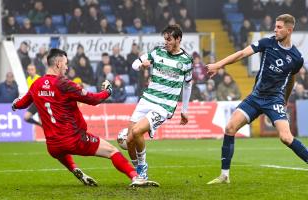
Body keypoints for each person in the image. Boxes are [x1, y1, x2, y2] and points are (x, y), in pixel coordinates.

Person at [12, 48, 158, 187]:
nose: (67, 68)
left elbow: (21, 104)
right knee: (113, 151)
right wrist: (107, 91)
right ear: (58, 63)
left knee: (60, 150)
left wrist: (15, 105)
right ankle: (136, 177)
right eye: (66, 63)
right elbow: (93, 99)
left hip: (52, 146)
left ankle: (75, 169)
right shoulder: (64, 84)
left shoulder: (36, 84)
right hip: (74, 139)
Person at [206, 14, 308, 184]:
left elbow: (291, 79)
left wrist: (285, 98)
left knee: (286, 137)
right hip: (256, 97)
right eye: (275, 26)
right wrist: (218, 65)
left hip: (274, 99)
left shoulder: (297, 58)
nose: (275, 30)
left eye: (279, 27)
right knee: (230, 127)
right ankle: (224, 175)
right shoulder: (267, 43)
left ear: (289, 30)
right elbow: (241, 54)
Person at [127, 24, 193, 183]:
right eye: (165, 39)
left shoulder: (186, 60)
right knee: (129, 140)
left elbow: (188, 85)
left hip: (164, 106)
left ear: (178, 39)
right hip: (147, 100)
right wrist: (141, 65)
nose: (166, 42)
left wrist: (185, 110)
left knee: (136, 132)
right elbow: (135, 64)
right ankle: (138, 172)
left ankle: (143, 171)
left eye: (169, 39)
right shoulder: (157, 52)